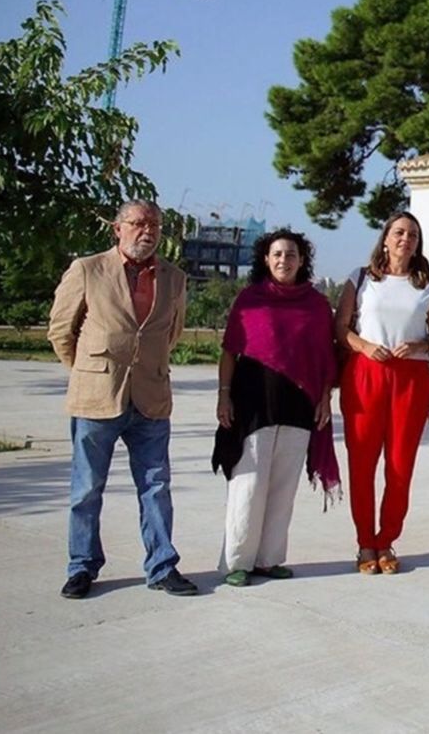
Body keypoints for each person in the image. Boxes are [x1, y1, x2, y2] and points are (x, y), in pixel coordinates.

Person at [48, 200, 197, 598]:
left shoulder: (175, 278)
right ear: (118, 228)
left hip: (150, 397)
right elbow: (62, 331)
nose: (146, 231)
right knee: (87, 488)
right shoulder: (87, 269)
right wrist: (89, 370)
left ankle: (162, 566)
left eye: (155, 225)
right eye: (137, 223)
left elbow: (171, 334)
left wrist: (146, 367)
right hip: (97, 397)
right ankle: (82, 566)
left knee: (156, 486)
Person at [212, 229, 339, 587]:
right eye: (278, 254)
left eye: (292, 254)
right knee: (248, 485)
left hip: (300, 406)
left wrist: (325, 397)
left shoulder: (315, 304)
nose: (285, 260)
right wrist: (224, 394)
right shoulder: (250, 299)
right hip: (253, 405)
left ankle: (269, 559)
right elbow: (229, 351)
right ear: (266, 259)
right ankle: (237, 561)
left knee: (283, 488)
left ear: (303, 261)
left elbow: (325, 358)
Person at [335, 212, 429, 574]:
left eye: (412, 234)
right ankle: (365, 542)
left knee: (400, 467)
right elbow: (341, 328)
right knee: (362, 464)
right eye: (399, 232)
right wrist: (364, 347)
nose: (405, 239)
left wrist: (420, 344)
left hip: (411, 378)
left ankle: (387, 541)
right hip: (366, 374)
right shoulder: (362, 278)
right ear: (385, 238)